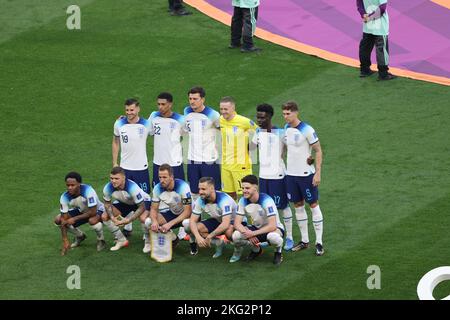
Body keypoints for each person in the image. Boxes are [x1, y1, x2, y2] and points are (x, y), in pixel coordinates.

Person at [251, 103, 296, 251]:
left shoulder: (281, 133)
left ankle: (289, 236)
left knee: (282, 206)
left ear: (270, 116)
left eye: (262, 117)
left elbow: (292, 150)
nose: (259, 120)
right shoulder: (258, 132)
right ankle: (270, 233)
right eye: (258, 117)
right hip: (264, 176)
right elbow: (250, 148)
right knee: (264, 208)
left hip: (278, 176)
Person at [282, 101, 324, 256]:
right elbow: (287, 148)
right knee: (298, 206)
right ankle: (304, 241)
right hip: (291, 175)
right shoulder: (286, 128)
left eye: (288, 113)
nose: (286, 117)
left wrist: (318, 172)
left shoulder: (307, 129)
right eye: (284, 114)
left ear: (296, 113)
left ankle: (319, 242)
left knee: (313, 205)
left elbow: (318, 150)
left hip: (306, 176)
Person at [149, 92, 189, 240]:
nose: (160, 107)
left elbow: (188, 136)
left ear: (170, 104)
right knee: (160, 195)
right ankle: (163, 229)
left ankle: (182, 228)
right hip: (158, 164)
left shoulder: (180, 120)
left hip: (174, 164)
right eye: (158, 104)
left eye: (163, 104)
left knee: (179, 195)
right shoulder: (154, 117)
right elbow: (145, 129)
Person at [112, 98, 152, 237]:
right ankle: (128, 227)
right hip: (125, 168)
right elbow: (115, 141)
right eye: (127, 110)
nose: (129, 113)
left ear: (138, 109)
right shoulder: (119, 123)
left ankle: (145, 234)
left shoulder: (147, 124)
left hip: (141, 169)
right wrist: (115, 163)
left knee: (144, 200)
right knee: (126, 197)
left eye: (132, 110)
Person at [232, 175, 285, 265]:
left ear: (255, 188)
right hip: (256, 229)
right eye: (243, 188)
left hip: (274, 229)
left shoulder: (266, 200)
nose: (244, 190)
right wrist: (248, 234)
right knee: (236, 236)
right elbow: (237, 224)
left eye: (247, 188)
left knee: (273, 237)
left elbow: (272, 226)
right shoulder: (242, 201)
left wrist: (252, 233)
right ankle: (257, 250)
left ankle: (278, 252)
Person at [143, 164, 193, 254]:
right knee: (148, 221)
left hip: (189, 215)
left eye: (165, 177)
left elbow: (187, 211)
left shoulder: (183, 187)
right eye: (160, 177)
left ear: (171, 177)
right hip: (173, 213)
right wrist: (154, 221)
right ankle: (173, 239)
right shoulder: (157, 188)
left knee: (186, 224)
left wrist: (169, 224)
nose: (162, 180)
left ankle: (194, 245)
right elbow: (154, 209)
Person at [182, 177, 236, 258]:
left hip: (234, 222)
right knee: (190, 226)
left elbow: (225, 224)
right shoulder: (200, 200)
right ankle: (218, 243)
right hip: (218, 220)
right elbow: (192, 221)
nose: (200, 192)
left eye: (203, 189)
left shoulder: (224, 200)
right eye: (199, 189)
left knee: (229, 232)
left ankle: (240, 248)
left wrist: (209, 236)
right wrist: (198, 237)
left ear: (212, 188)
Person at [183, 87, 221, 199]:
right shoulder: (187, 111)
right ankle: (194, 216)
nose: (192, 101)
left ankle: (219, 215)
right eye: (190, 98)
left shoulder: (213, 114)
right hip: (192, 159)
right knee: (193, 191)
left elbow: (222, 131)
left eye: (195, 98)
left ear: (202, 99)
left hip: (209, 160)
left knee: (214, 192)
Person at [55, 172, 105, 255]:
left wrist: (74, 218)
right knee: (58, 219)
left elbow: (92, 212)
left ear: (79, 184)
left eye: (72, 185)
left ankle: (101, 240)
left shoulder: (88, 191)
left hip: (98, 211)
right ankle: (80, 236)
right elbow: (64, 219)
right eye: (68, 185)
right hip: (81, 211)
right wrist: (65, 239)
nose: (70, 188)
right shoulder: (64, 197)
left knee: (93, 221)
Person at [102, 167, 151, 252]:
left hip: (142, 202)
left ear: (124, 177)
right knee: (104, 216)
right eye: (111, 178)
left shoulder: (132, 187)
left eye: (116, 178)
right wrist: (112, 217)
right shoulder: (108, 187)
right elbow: (107, 203)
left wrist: (128, 220)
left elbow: (141, 207)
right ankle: (121, 240)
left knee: (143, 218)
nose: (113, 181)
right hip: (125, 202)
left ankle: (148, 242)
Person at [219, 96, 258, 200]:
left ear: (233, 108)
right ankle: (235, 216)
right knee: (229, 195)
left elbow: (260, 131)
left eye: (226, 109)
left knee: (246, 195)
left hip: (241, 166)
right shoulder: (221, 120)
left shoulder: (243, 121)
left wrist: (252, 147)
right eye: (221, 109)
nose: (223, 112)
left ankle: (251, 216)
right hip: (225, 165)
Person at [357, 0, 396, 80]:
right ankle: (383, 73)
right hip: (380, 25)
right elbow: (382, 8)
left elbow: (359, 3)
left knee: (365, 47)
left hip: (368, 24)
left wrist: (364, 15)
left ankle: (364, 70)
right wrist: (370, 17)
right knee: (381, 49)